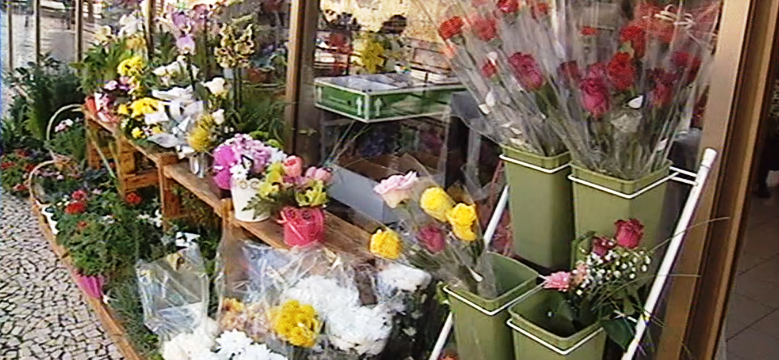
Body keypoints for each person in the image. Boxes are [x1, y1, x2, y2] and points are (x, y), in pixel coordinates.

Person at [755, 79, 779, 198]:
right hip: (770, 125)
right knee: (766, 155)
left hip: (771, 125)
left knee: (766, 156)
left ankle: (760, 183)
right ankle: (760, 183)